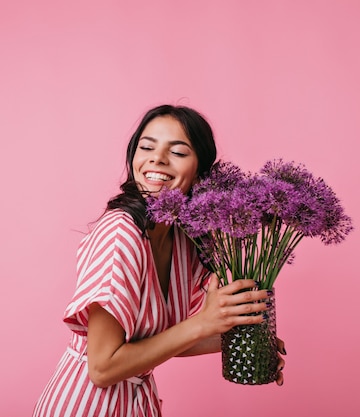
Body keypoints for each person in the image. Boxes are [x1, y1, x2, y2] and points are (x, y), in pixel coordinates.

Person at [32, 104, 286, 417]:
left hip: (136, 405)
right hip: (85, 407)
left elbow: (153, 341)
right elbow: (102, 367)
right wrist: (203, 323)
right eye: (147, 147)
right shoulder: (121, 233)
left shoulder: (183, 238)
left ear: (200, 170)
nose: (157, 159)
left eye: (178, 152)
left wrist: (242, 342)